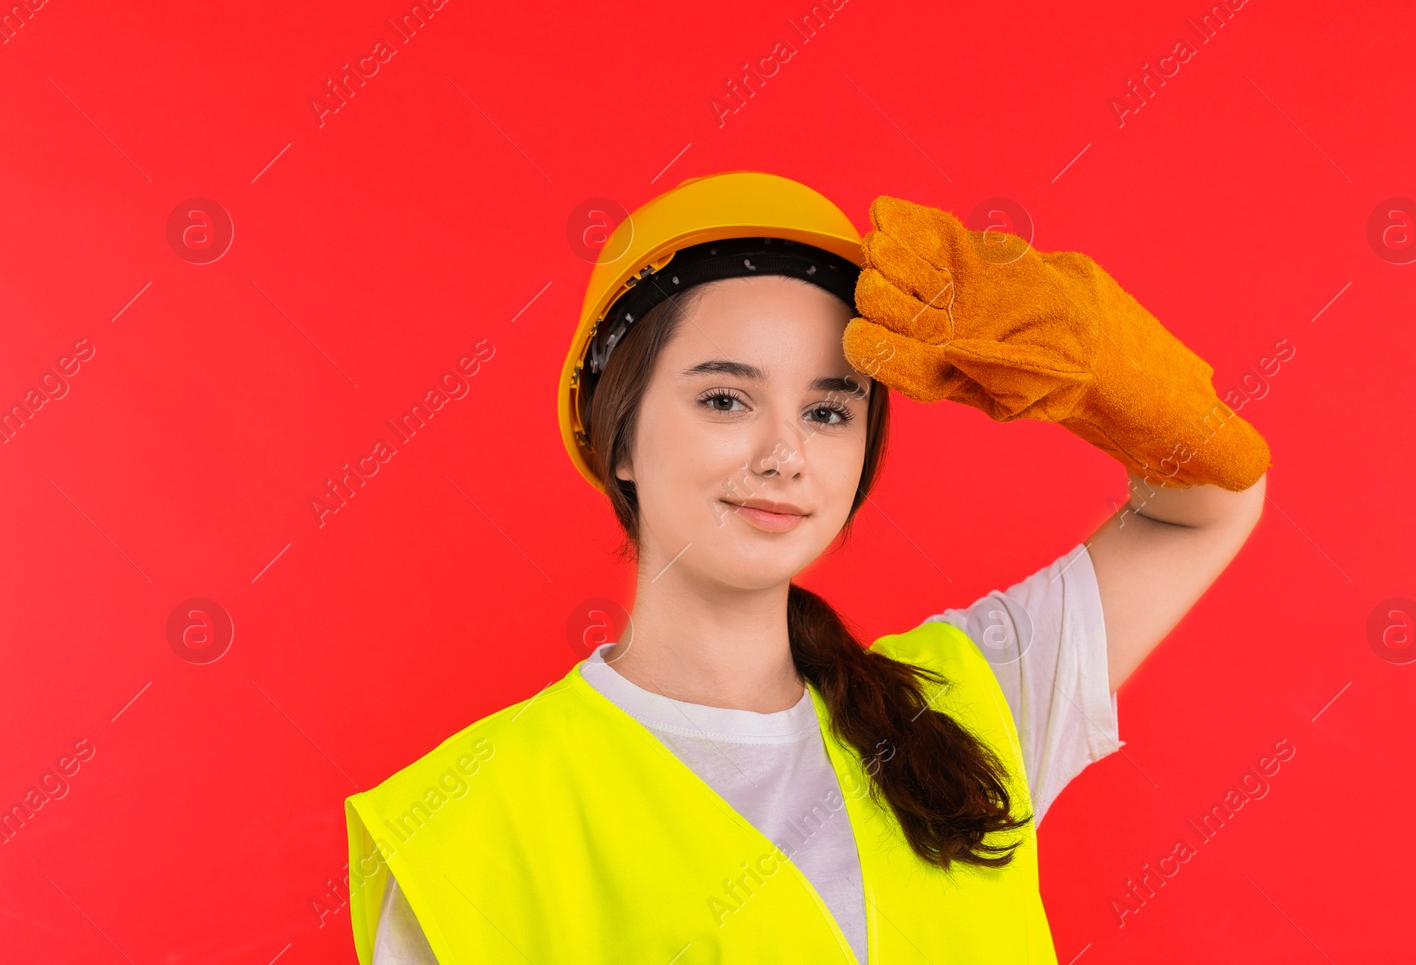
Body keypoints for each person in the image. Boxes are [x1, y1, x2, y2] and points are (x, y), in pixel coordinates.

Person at [343, 171, 1269, 963]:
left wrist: (1094, 360)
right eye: (724, 398)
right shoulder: (470, 822)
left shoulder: (971, 699)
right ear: (616, 432)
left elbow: (1209, 501)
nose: (785, 454)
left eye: (829, 410)